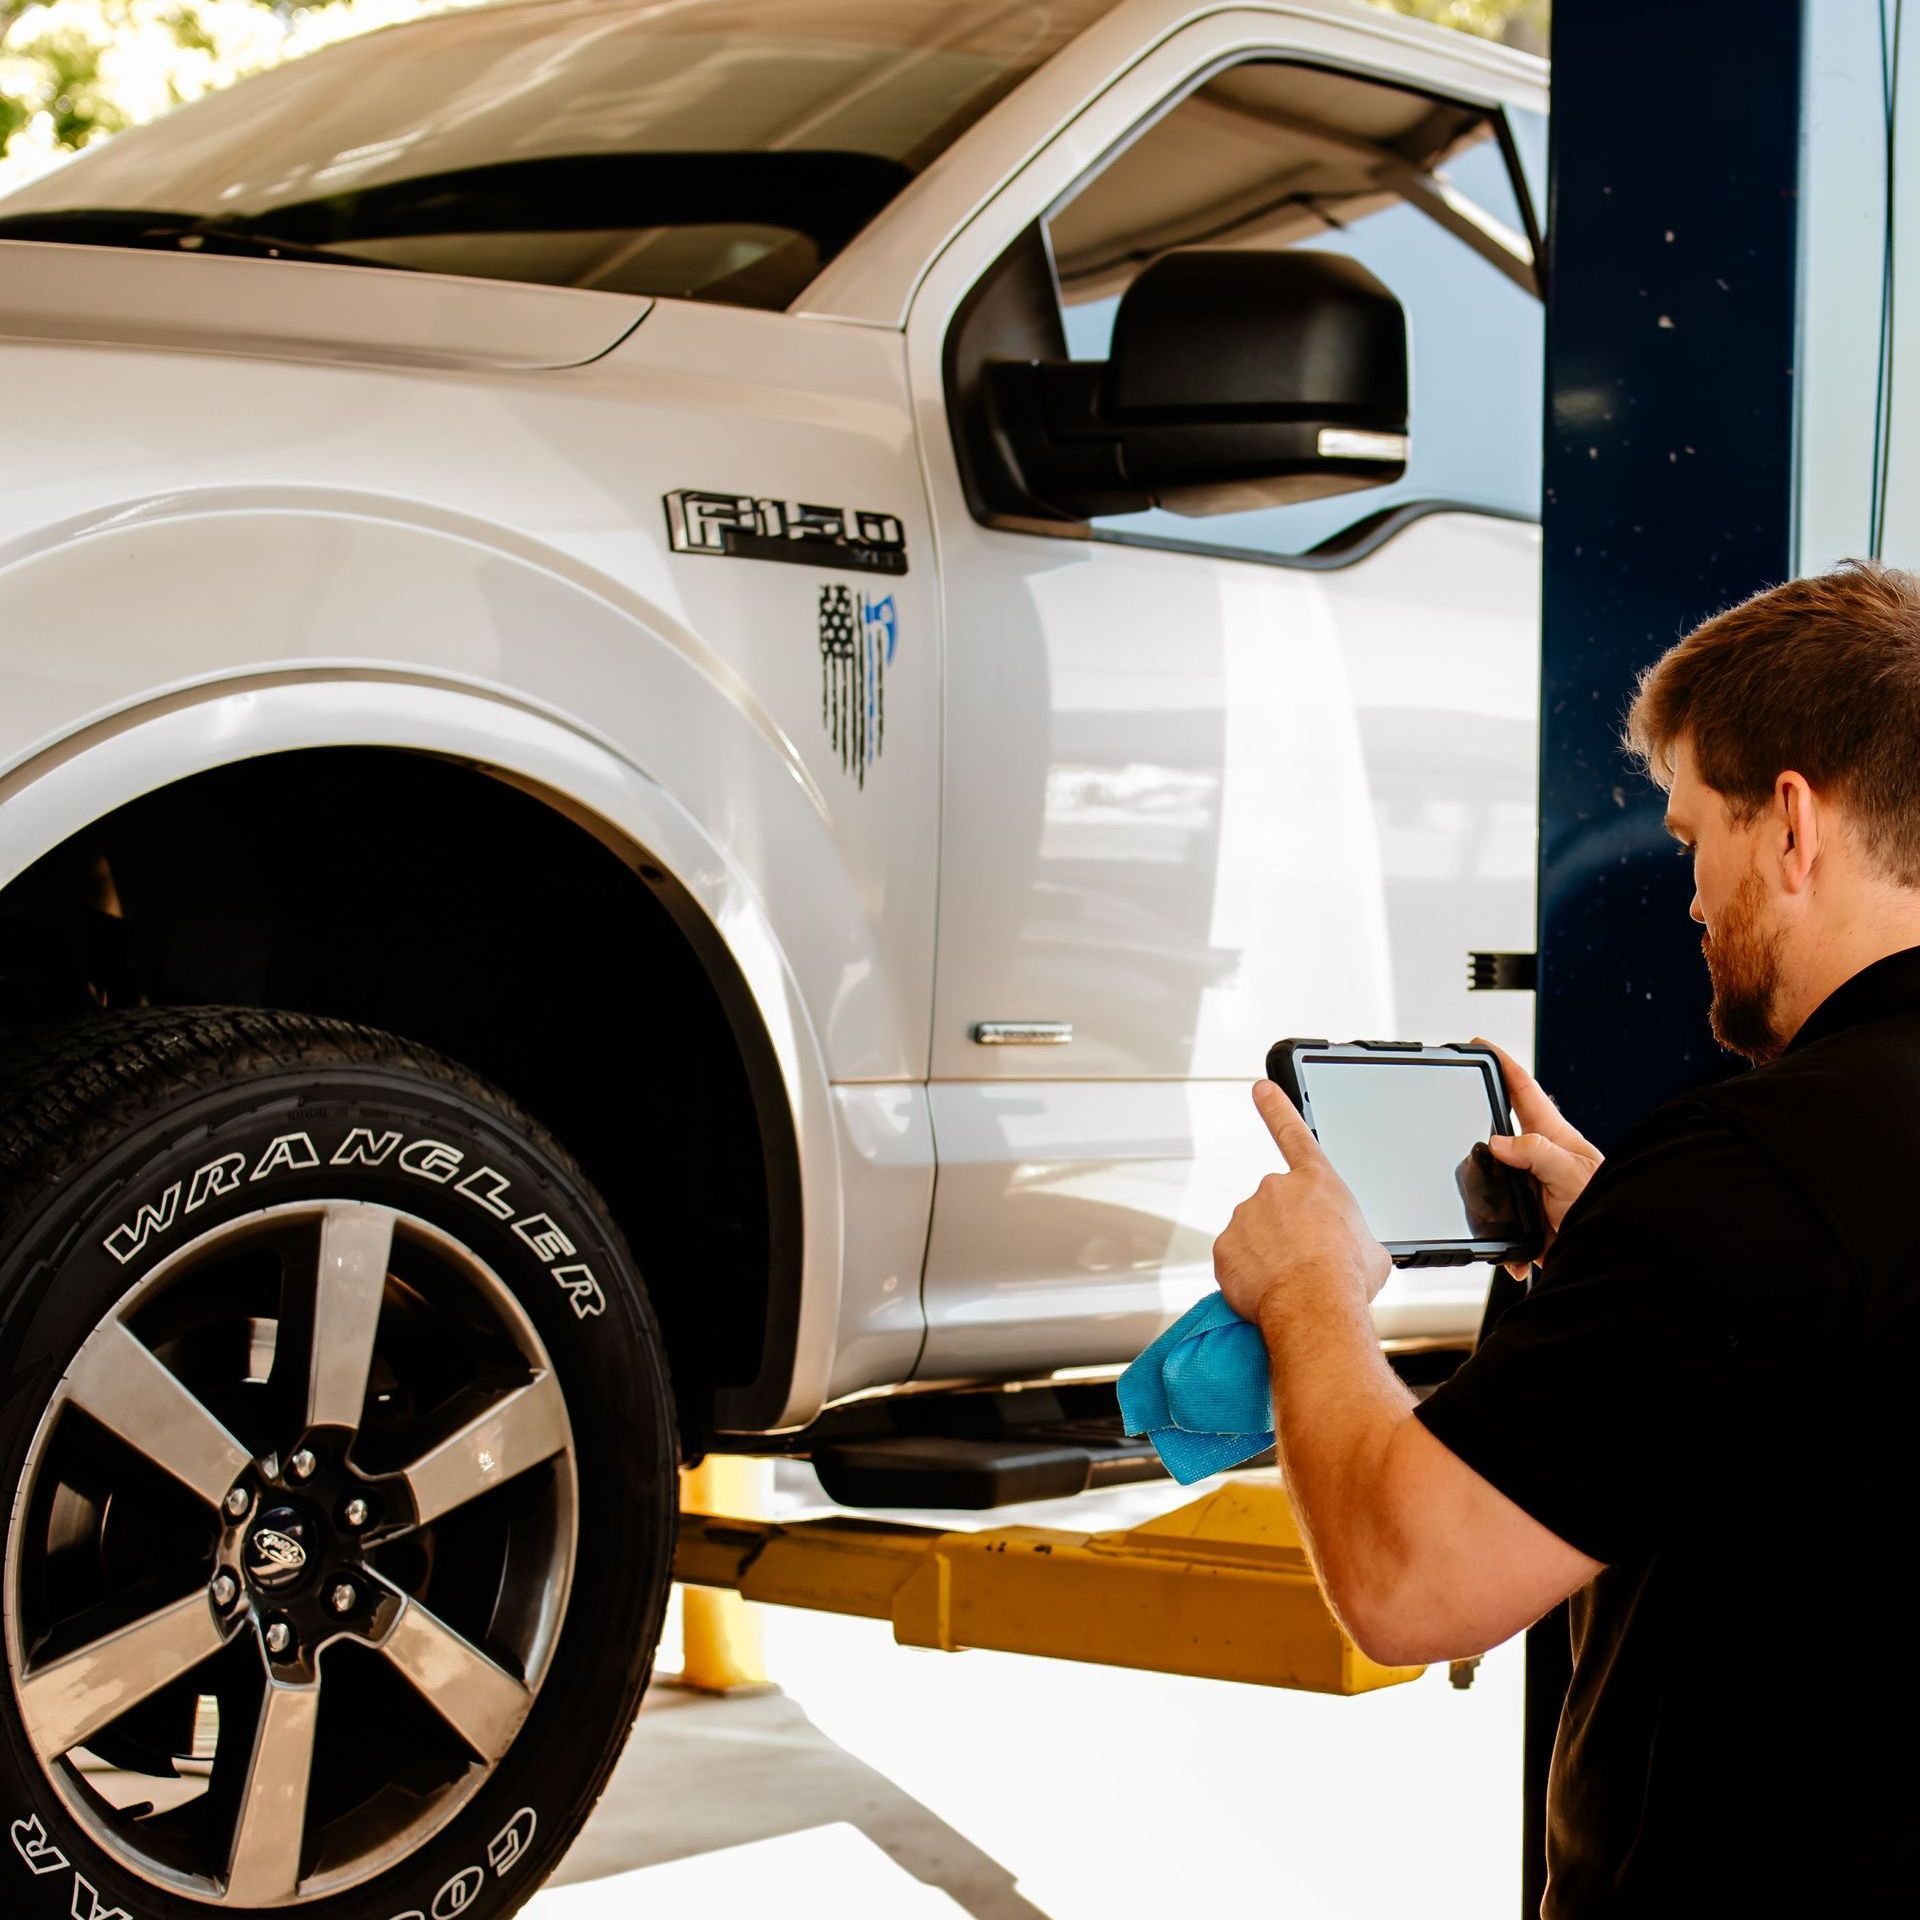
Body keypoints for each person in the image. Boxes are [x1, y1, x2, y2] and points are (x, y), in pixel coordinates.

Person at [1213, 559, 1920, 1914]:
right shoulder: (1749, 1210)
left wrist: (1310, 1291)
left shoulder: (1755, 1171)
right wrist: (1631, 1244)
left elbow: (1410, 1582)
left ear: (1790, 825)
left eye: (1688, 836)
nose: (1694, 899)